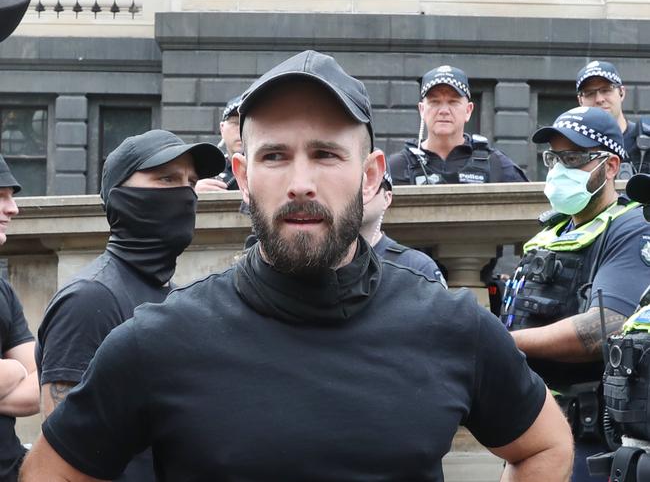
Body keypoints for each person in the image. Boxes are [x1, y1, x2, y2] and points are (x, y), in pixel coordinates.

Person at [21, 50, 573, 482]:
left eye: (327, 154)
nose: (300, 181)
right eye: (275, 155)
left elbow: (546, 444)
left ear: (372, 173)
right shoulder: (157, 340)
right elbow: (53, 468)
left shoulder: (451, 324)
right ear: (242, 174)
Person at [34, 129, 224, 482]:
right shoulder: (90, 300)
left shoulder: (175, 295)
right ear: (121, 197)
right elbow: (62, 461)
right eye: (166, 178)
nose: (184, 193)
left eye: (191, 181)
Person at [503, 106, 650, 481]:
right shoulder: (555, 231)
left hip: (591, 436)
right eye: (554, 157)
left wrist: (501, 340)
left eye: (574, 158)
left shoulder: (632, 225)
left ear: (611, 166)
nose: (558, 170)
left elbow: (605, 328)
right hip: (534, 424)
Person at [388, 65, 528, 185]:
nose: (443, 111)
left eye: (453, 102)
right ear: (422, 110)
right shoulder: (396, 167)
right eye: (435, 102)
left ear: (468, 110)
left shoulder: (496, 164)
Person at [0, 155, 39, 482]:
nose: (13, 209)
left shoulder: (3, 291)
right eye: (0, 196)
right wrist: (13, 370)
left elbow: (38, 388)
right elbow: (22, 372)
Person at [360, 166, 447, 286]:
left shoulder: (416, 266)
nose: (361, 194)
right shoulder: (326, 259)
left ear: (387, 198)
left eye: (371, 185)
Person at [576, 60, 650, 176]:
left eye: (606, 90)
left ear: (621, 92)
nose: (599, 99)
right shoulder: (573, 146)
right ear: (580, 100)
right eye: (589, 93)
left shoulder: (646, 138)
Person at [196, 95, 243, 192]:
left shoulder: (272, 168)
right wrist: (194, 192)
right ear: (222, 129)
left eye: (247, 123)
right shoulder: (207, 171)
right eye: (236, 123)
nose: (242, 129)